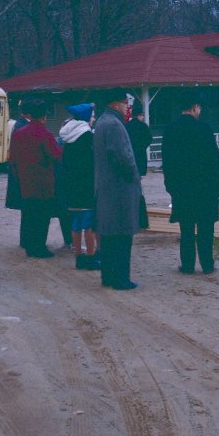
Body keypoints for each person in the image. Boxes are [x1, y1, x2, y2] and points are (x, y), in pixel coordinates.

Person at [161, 92, 219, 275]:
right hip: (205, 188)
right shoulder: (204, 129)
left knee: (186, 229)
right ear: (195, 107)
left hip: (182, 188)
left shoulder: (170, 130)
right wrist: (218, 185)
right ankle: (207, 264)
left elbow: (167, 162)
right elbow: (214, 159)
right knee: (206, 228)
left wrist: (171, 186)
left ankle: (187, 265)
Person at [92, 88, 142, 290]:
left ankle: (108, 275)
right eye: (124, 103)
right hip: (120, 189)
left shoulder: (101, 122)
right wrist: (134, 176)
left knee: (109, 235)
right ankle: (121, 278)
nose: (126, 107)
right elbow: (123, 157)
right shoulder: (115, 125)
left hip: (105, 187)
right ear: (115, 104)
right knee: (122, 235)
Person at [9, 99, 62, 258]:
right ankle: (39, 247)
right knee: (42, 216)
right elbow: (55, 155)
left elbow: (13, 159)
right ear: (44, 117)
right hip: (43, 182)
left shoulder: (18, 133)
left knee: (29, 213)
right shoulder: (46, 134)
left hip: (25, 180)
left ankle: (29, 244)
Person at [59, 103, 99, 270]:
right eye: (92, 115)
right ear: (86, 118)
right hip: (87, 185)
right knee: (89, 224)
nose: (94, 118)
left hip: (71, 185)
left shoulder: (67, 137)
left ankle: (78, 257)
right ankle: (90, 257)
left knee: (75, 223)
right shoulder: (88, 137)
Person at [5, 100, 32, 247]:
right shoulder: (23, 126)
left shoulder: (19, 124)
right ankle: (26, 241)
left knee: (26, 211)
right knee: (28, 211)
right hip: (24, 174)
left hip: (18, 172)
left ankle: (25, 240)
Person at [125, 100, 153, 229]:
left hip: (129, 159)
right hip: (140, 159)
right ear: (140, 115)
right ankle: (141, 219)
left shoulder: (126, 126)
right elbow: (149, 139)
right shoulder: (143, 127)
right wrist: (141, 147)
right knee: (138, 188)